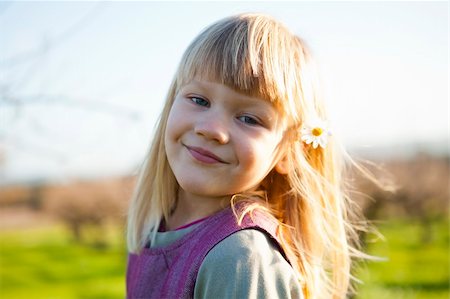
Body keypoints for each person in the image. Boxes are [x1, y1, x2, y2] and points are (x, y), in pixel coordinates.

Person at [126, 13, 363, 299]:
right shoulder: (152, 232)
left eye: (249, 119)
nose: (212, 129)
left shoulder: (239, 257)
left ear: (289, 151)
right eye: (199, 100)